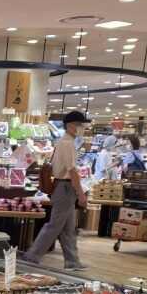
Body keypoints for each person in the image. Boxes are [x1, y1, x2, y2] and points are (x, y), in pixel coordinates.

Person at [23, 111, 89, 271]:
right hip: (66, 188)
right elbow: (72, 171)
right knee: (55, 225)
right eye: (80, 125)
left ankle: (72, 261)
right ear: (71, 125)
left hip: (64, 187)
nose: (82, 128)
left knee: (68, 228)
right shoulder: (67, 144)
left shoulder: (65, 142)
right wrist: (81, 194)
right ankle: (32, 256)